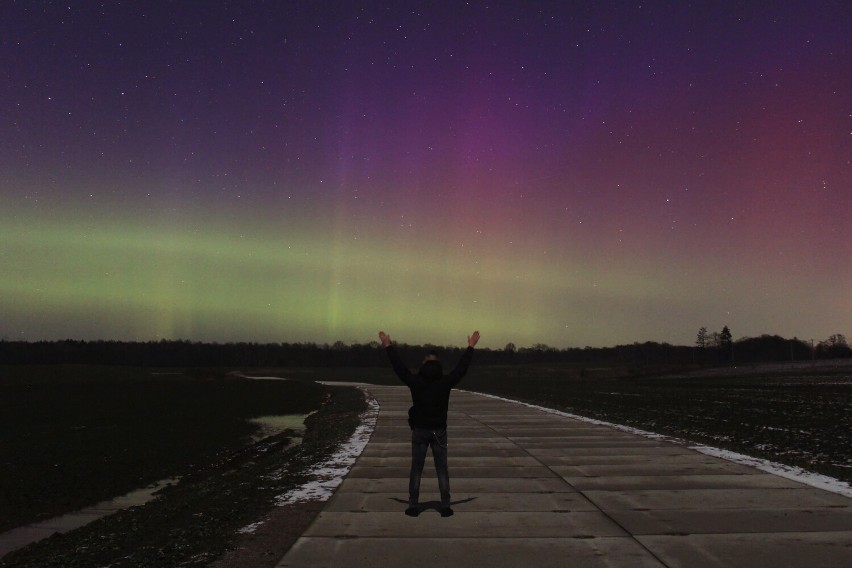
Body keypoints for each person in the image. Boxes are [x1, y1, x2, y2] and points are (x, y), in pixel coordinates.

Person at [378, 330, 480, 517]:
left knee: (416, 469)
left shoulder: (416, 381)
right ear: (439, 366)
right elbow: (461, 369)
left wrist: (388, 345)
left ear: (424, 365)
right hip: (439, 431)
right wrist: (471, 347)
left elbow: (399, 368)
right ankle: (446, 506)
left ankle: (412, 505)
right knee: (442, 469)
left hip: (419, 431)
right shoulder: (445, 382)